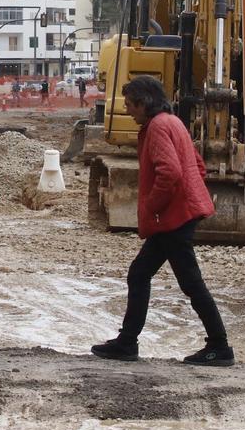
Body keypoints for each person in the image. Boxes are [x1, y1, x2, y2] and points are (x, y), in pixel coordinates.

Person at [91, 76, 234, 367]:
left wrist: (152, 206)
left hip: (173, 217)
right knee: (140, 272)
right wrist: (185, 195)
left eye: (131, 105)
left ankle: (219, 346)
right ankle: (127, 342)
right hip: (179, 213)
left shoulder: (157, 128)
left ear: (145, 103)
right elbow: (197, 165)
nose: (129, 111)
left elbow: (169, 172)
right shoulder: (172, 121)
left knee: (190, 283)